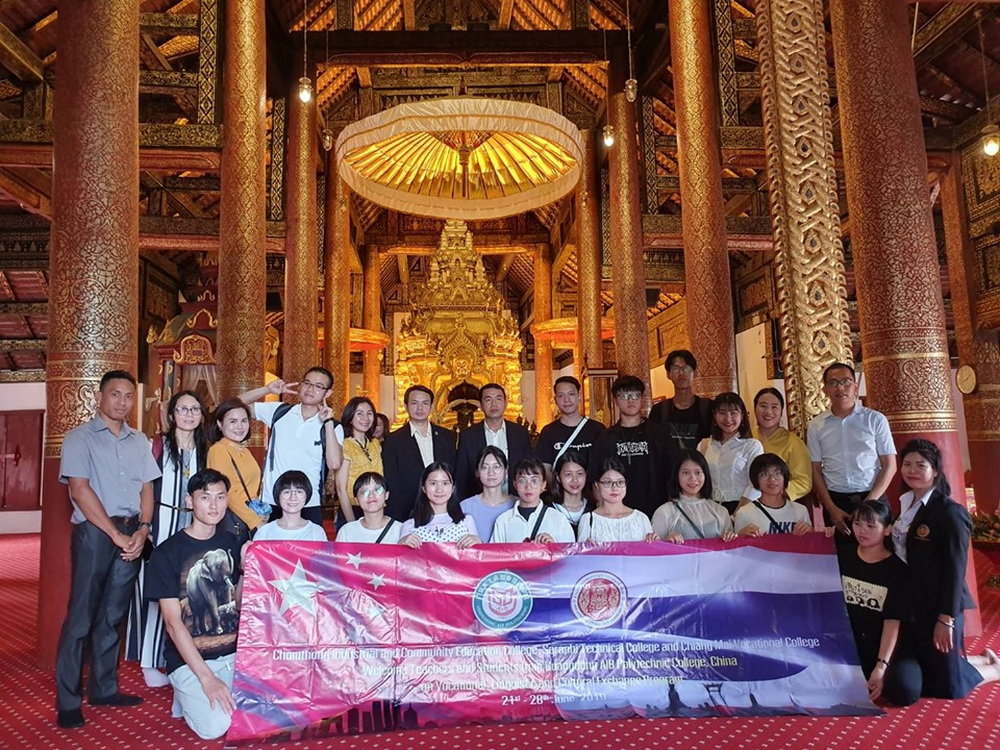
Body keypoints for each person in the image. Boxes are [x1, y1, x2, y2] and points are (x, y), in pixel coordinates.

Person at [55, 370, 160, 730]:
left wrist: (143, 530)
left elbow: (147, 488)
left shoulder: (139, 440)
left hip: (132, 532)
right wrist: (114, 534)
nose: (122, 402)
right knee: (81, 617)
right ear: (99, 396)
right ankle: (68, 701)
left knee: (114, 614)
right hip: (96, 532)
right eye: (115, 394)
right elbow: (79, 490)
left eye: (129, 396)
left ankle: (104, 688)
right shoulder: (79, 438)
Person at [891, 438, 1000, 700]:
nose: (912, 470)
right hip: (911, 604)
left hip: (939, 606)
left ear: (936, 471)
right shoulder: (905, 505)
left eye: (921, 465)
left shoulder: (950, 513)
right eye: (907, 464)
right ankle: (970, 660)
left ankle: (995, 668)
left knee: (949, 688)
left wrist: (946, 618)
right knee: (921, 676)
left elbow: (955, 571)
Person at [144, 468, 243, 740]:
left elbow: (237, 602)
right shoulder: (167, 553)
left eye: (220, 497)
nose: (214, 505)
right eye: (205, 497)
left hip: (233, 655)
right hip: (191, 661)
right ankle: (186, 690)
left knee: (271, 709)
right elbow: (173, 625)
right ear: (190, 501)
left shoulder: (231, 543)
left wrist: (246, 570)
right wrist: (207, 679)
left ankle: (196, 696)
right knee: (215, 727)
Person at [127, 390, 208, 689]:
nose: (189, 414)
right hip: (161, 524)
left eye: (195, 409)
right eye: (183, 409)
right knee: (157, 593)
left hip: (194, 525)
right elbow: (142, 486)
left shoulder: (206, 448)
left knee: (190, 592)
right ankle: (150, 662)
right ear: (172, 414)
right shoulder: (156, 445)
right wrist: (145, 525)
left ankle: (183, 660)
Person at [238, 368, 343, 525]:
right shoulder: (279, 411)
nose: (310, 389)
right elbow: (233, 405)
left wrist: (327, 422)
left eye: (318, 386)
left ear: (327, 393)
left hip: (308, 502)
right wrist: (267, 390)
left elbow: (334, 463)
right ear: (300, 385)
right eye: (307, 383)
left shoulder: (333, 427)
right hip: (272, 500)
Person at [838, 500, 916, 705]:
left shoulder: (898, 570)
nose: (862, 530)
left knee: (904, 691)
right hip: (852, 642)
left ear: (887, 529)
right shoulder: (842, 556)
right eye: (857, 524)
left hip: (885, 644)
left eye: (871, 526)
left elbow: (892, 622)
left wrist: (881, 665)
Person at [807, 362, 896, 537]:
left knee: (878, 550)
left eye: (846, 382)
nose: (840, 388)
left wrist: (868, 504)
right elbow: (815, 469)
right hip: (836, 501)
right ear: (825, 390)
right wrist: (831, 508)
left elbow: (890, 465)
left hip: (872, 497)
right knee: (839, 551)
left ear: (855, 387)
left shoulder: (875, 420)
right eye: (833, 383)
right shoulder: (816, 426)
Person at [588, 375, 672, 520]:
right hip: (617, 513)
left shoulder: (658, 434)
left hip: (657, 510)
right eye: (624, 396)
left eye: (635, 395)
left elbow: (671, 472)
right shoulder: (606, 438)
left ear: (642, 398)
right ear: (615, 400)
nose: (630, 400)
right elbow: (595, 478)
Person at [383, 385, 457, 522]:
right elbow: (392, 481)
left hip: (444, 509)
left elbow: (454, 473)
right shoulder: (394, 440)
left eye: (425, 403)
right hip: (408, 510)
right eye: (414, 403)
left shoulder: (447, 437)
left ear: (431, 407)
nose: (420, 408)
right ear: (406, 406)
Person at [455, 383, 532, 499]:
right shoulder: (468, 436)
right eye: (488, 400)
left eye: (498, 399)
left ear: (505, 403)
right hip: (480, 501)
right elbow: (462, 475)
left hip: (515, 500)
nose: (494, 404)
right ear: (481, 405)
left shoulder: (520, 433)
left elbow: (528, 468)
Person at [206, 398, 267, 540]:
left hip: (251, 517)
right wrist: (255, 521)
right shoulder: (219, 450)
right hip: (235, 522)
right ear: (220, 424)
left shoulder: (244, 450)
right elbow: (228, 492)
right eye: (233, 421)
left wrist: (261, 511)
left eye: (244, 421)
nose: (239, 426)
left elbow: (250, 490)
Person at [698, 392, 763, 515]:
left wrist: (737, 514)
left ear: (742, 415)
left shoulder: (752, 446)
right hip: (711, 510)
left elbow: (755, 484)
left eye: (733, 413)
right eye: (722, 413)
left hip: (744, 508)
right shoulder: (704, 445)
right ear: (714, 416)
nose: (728, 419)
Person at [652, 449, 735, 542]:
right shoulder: (664, 512)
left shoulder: (720, 511)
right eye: (685, 472)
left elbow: (731, 549)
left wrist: (728, 538)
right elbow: (654, 548)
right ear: (676, 475)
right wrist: (667, 541)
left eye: (698, 472)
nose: (693, 478)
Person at [534, 376, 605, 480]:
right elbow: (545, 467)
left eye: (571, 394)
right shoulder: (548, 431)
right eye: (561, 396)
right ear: (555, 400)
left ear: (579, 396)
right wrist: (556, 488)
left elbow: (604, 464)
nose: (566, 400)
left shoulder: (597, 429)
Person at [491, 457, 575, 543]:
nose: (528, 487)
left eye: (534, 481)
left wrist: (553, 546)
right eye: (522, 481)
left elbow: (572, 550)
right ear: (515, 484)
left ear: (543, 485)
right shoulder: (503, 521)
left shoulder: (558, 519)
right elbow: (494, 551)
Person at [399, 462, 481, 548]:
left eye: (445, 483)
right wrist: (403, 542)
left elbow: (479, 553)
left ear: (453, 487)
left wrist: (477, 540)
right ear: (424, 488)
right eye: (433, 483)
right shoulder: (409, 525)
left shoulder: (466, 521)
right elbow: (400, 555)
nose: (439, 489)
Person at [752, 388, 812, 501]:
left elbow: (803, 482)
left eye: (774, 407)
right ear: (755, 409)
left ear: (781, 412)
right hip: (746, 502)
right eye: (763, 406)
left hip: (779, 503)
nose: (768, 412)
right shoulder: (746, 439)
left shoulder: (793, 443)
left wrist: (774, 493)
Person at [648, 349, 714, 452]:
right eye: (676, 369)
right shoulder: (659, 410)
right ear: (668, 374)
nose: (681, 373)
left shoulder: (708, 407)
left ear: (695, 373)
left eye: (686, 368)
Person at [578, 458, 656, 543]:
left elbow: (650, 549)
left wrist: (655, 540)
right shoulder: (588, 520)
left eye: (620, 482)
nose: (614, 488)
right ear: (597, 485)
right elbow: (580, 551)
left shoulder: (641, 518)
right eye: (608, 482)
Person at [733, 454, 812, 537]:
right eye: (764, 474)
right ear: (756, 480)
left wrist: (810, 531)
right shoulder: (744, 513)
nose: (772, 479)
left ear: (785, 477)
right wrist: (741, 535)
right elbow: (738, 544)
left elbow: (810, 542)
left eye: (777, 474)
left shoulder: (801, 510)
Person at [335, 396, 383, 527]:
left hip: (376, 507)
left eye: (369, 413)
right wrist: (352, 524)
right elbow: (341, 488)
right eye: (359, 414)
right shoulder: (345, 445)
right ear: (350, 418)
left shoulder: (375, 443)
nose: (365, 418)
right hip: (353, 508)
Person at [251, 470, 327, 542]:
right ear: (278, 495)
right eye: (287, 492)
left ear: (307, 496)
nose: (293, 497)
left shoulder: (316, 532)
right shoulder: (264, 532)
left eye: (299, 492)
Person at [459, 446, 516, 542]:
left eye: (496, 467)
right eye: (484, 467)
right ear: (477, 472)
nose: (491, 473)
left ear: (505, 471)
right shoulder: (465, 507)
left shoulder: (517, 504)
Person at [336, 472, 402, 544]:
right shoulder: (346, 532)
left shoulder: (400, 530)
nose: (371, 495)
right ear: (357, 500)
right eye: (365, 492)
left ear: (386, 495)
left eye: (377, 490)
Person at [551, 451, 594, 531]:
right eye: (568, 474)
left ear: (586, 475)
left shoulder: (594, 508)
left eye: (580, 474)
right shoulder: (549, 510)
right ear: (558, 477)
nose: (575, 480)